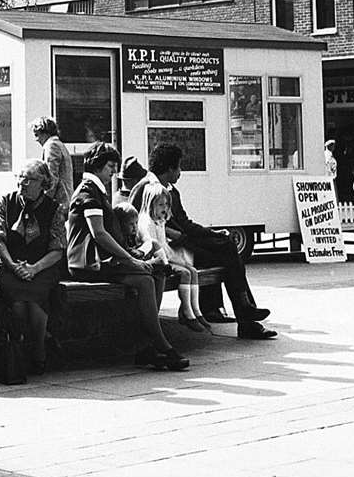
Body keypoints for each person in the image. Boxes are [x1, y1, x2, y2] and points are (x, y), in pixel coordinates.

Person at [129, 143, 276, 339]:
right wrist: (175, 233)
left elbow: (186, 225)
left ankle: (242, 311)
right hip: (165, 253)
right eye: (179, 167)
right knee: (227, 251)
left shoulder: (169, 189)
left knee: (227, 245)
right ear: (169, 168)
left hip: (182, 245)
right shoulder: (145, 188)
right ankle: (244, 314)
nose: (180, 173)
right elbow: (136, 222)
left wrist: (213, 234)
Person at [66, 142, 188, 371]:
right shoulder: (87, 193)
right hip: (87, 262)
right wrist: (130, 260)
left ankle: (146, 345)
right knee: (144, 278)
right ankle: (158, 345)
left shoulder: (96, 191)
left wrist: (131, 257)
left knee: (158, 272)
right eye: (111, 166)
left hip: (100, 260)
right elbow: (99, 234)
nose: (114, 171)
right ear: (98, 165)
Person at [0, 159, 67, 372]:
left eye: (28, 180)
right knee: (17, 298)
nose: (21, 184)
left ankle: (38, 349)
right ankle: (21, 347)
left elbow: (57, 248)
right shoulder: (7, 202)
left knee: (34, 298)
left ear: (43, 183)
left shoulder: (54, 209)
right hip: (9, 264)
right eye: (19, 179)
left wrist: (34, 268)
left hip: (42, 266)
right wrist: (13, 265)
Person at [136, 180, 208, 332]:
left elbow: (164, 245)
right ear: (150, 203)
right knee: (185, 273)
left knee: (192, 270)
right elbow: (153, 246)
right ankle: (188, 314)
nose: (165, 208)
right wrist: (173, 260)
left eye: (167, 205)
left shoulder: (159, 220)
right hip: (156, 259)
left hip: (165, 255)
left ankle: (196, 311)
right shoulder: (147, 222)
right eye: (161, 205)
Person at [31, 116, 75, 205]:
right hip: (65, 199)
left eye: (37, 135)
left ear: (45, 132)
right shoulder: (59, 144)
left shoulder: (51, 146)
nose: (36, 140)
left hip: (58, 201)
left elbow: (51, 177)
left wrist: (44, 202)